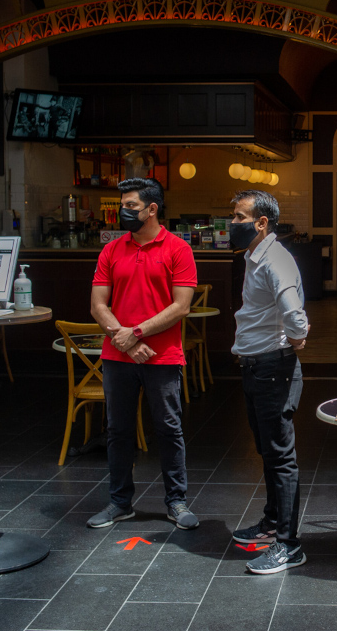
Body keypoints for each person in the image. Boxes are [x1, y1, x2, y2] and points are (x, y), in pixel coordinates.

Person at [87, 177, 199, 531]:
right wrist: (129, 342)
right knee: (118, 430)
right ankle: (119, 503)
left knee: (168, 429)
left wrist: (135, 333)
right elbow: (97, 305)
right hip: (118, 356)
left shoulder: (178, 249)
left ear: (152, 209)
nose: (124, 211)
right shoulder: (111, 249)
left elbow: (181, 307)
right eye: (123, 205)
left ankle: (176, 502)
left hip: (163, 356)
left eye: (132, 206)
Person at [228, 190, 309, 575]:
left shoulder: (275, 259)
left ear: (262, 223)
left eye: (240, 217)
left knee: (280, 457)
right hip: (255, 365)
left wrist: (297, 337)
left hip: (274, 369)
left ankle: (290, 546)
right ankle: (273, 522)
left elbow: (294, 313)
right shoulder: (253, 255)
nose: (233, 223)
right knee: (267, 451)